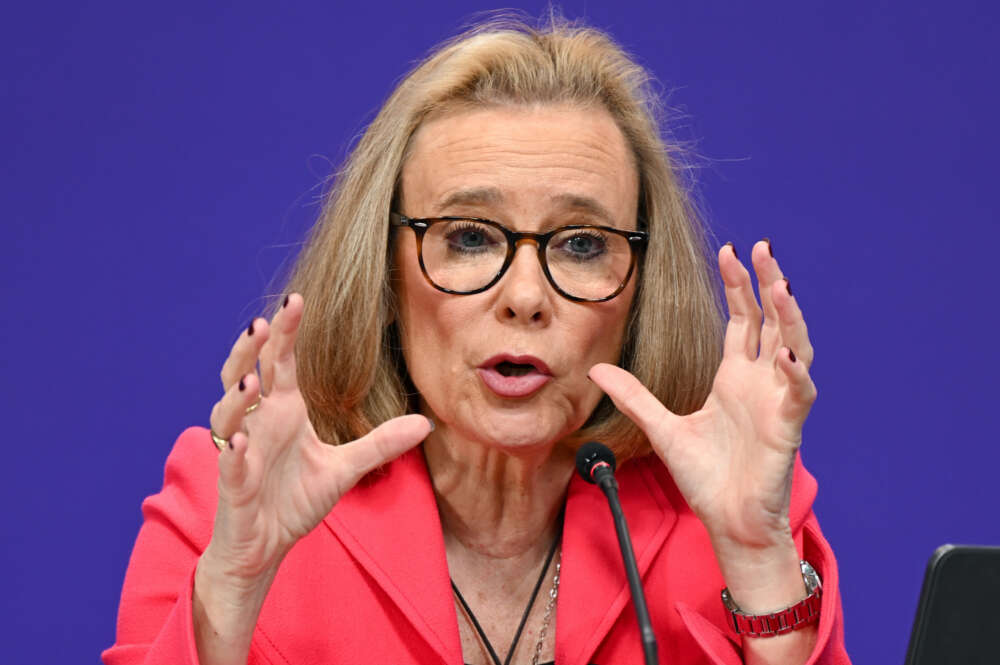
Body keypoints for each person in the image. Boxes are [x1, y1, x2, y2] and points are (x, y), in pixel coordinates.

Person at [104, 16, 850, 665]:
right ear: (384, 277)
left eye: (582, 244)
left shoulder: (731, 510)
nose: (524, 297)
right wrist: (232, 587)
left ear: (641, 291)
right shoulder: (228, 499)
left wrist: (758, 560)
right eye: (467, 236)